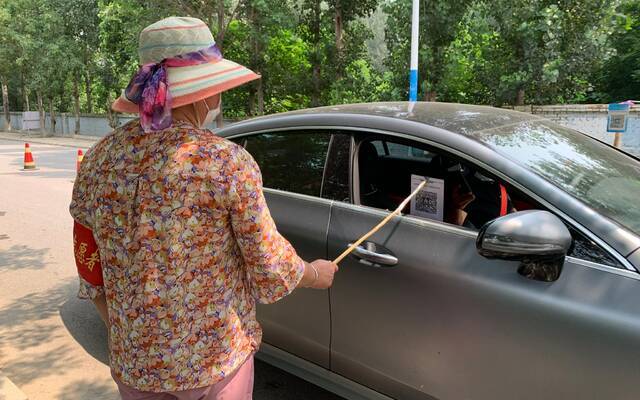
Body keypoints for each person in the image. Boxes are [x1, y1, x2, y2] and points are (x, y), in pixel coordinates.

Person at [70, 17, 338, 400]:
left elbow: (87, 261)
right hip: (215, 362)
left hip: (135, 365)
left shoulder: (99, 159)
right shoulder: (226, 162)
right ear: (205, 93)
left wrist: (123, 331)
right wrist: (315, 273)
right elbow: (268, 264)